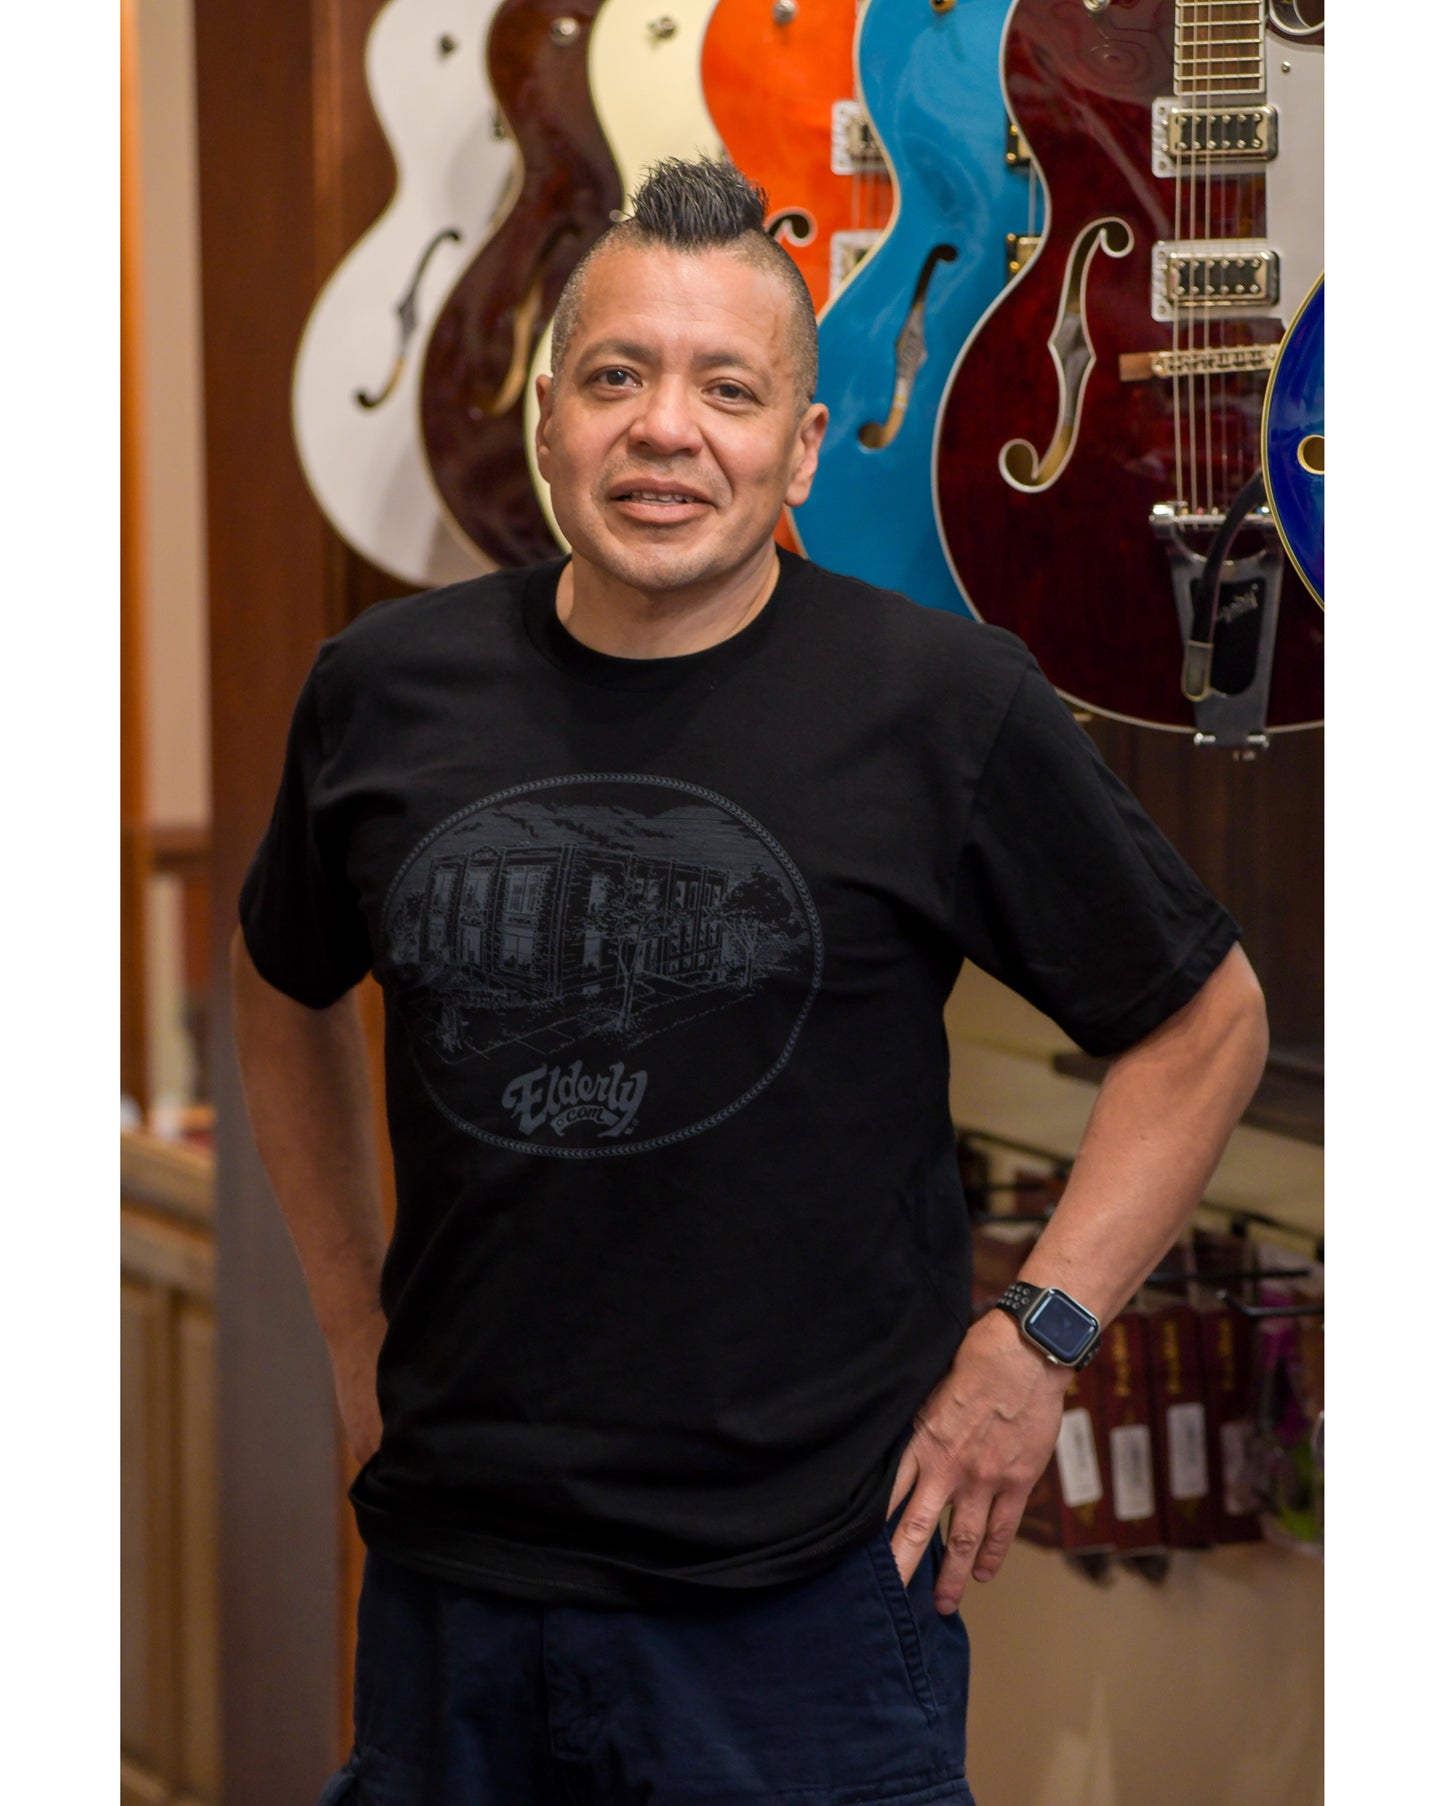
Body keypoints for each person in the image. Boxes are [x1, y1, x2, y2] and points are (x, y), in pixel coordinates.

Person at [232, 158, 1269, 1805]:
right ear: (548, 421)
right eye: (615, 376)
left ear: (800, 445)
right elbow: (278, 984)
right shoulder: (381, 688)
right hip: (451, 1585)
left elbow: (1203, 1022)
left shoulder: (941, 702)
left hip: (807, 1607)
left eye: (728, 388)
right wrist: (352, 1324)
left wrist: (1035, 1342)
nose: (665, 429)